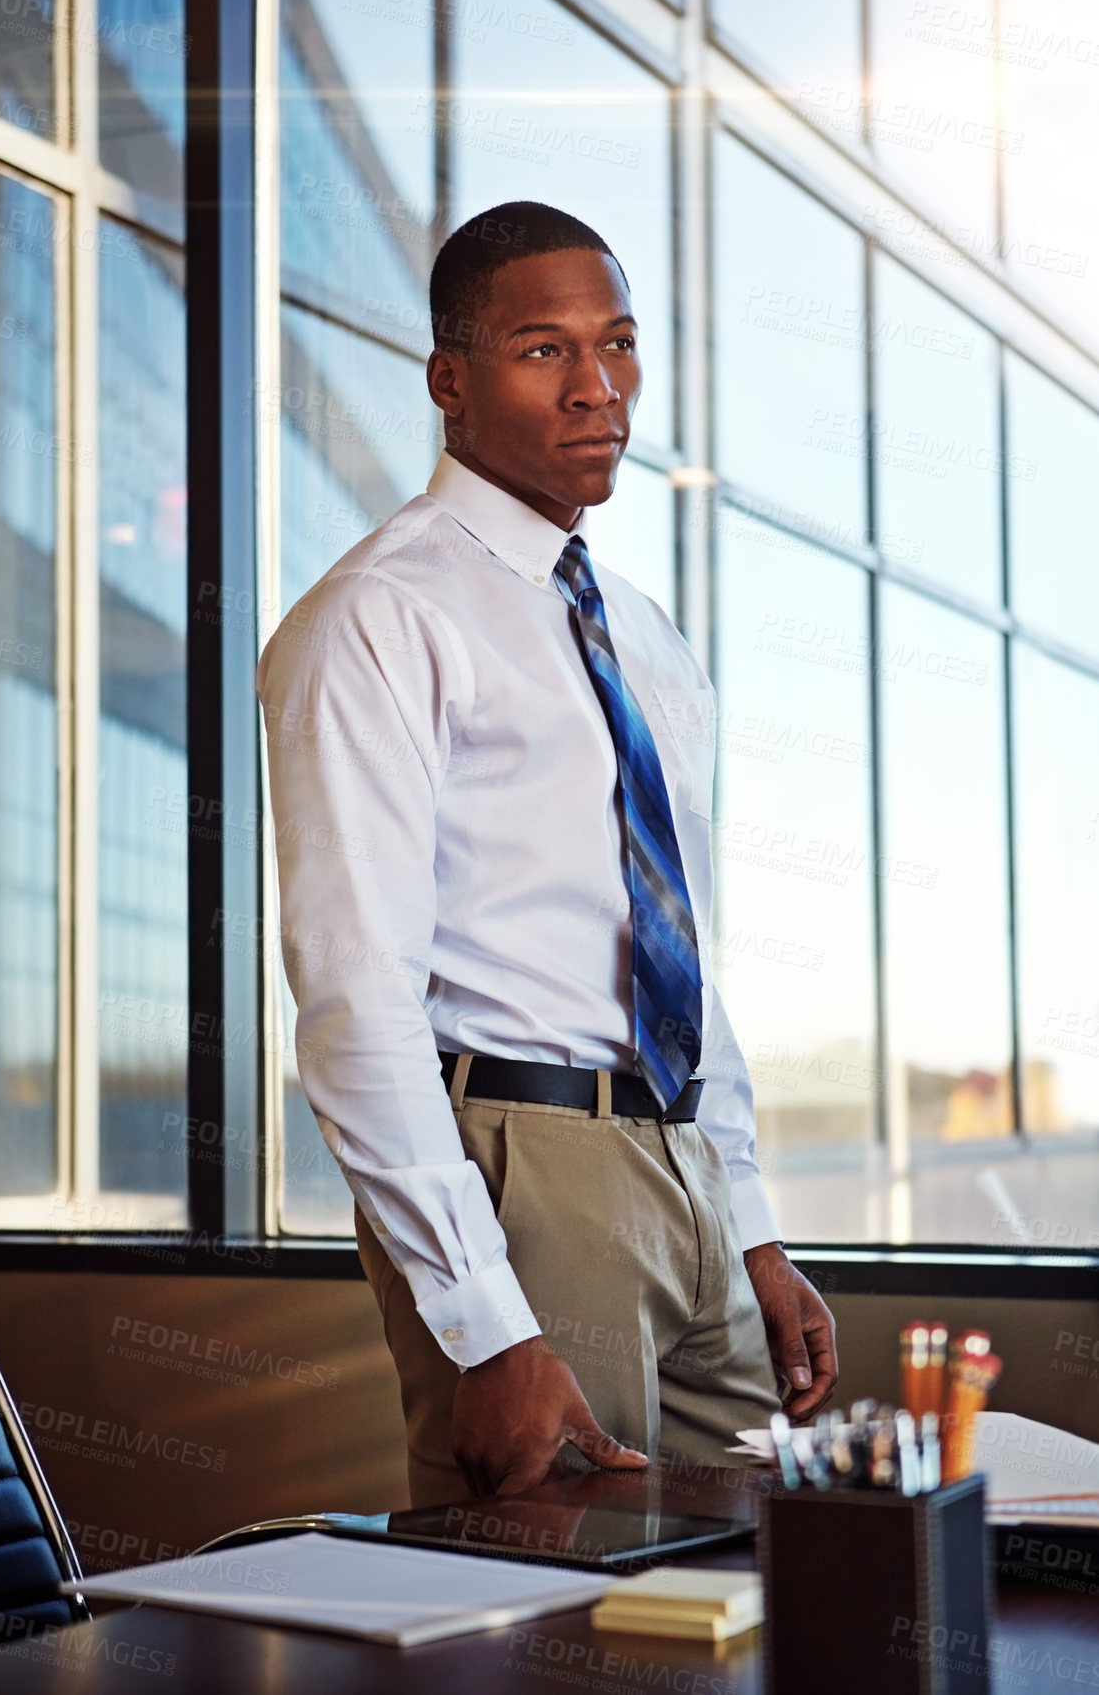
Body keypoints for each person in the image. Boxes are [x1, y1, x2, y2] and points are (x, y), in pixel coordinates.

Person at [257, 200, 838, 1506]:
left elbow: (673, 941)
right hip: (524, 1170)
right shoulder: (376, 617)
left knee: (759, 1587)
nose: (598, 389)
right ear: (448, 382)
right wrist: (487, 1323)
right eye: (543, 350)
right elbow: (355, 1002)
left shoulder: (637, 629)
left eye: (618, 344)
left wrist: (748, 1229)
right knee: (555, 1614)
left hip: (683, 1166)